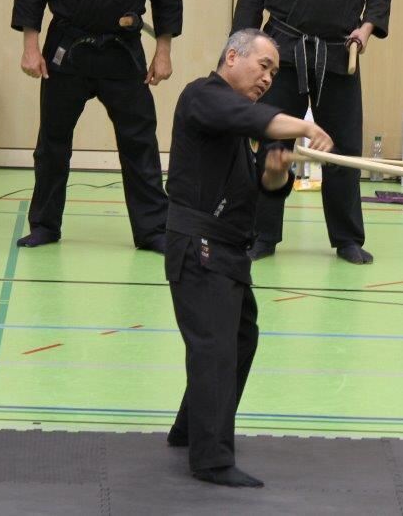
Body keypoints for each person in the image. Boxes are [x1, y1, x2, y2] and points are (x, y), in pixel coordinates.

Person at [164, 29, 332, 487]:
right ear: (233, 57)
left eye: (274, 72)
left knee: (238, 339)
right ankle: (211, 459)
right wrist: (306, 126)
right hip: (199, 246)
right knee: (215, 348)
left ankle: (190, 429)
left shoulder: (240, 124)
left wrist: (276, 174)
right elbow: (252, 117)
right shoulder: (202, 97)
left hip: (227, 250)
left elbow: (264, 188)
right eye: (264, 66)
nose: (268, 78)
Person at [10, 0, 182, 252]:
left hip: (122, 49)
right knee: (53, 142)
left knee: (140, 141)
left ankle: (152, 230)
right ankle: (45, 225)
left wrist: (163, 51)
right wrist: (30, 46)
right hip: (67, 47)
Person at [232, 0, 395, 265]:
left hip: (339, 52)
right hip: (281, 53)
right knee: (272, 143)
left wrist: (367, 25)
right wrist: (242, 55)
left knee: (343, 149)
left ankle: (347, 238)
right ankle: (261, 234)